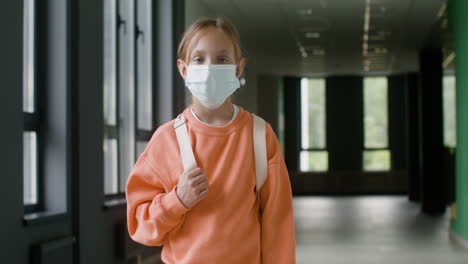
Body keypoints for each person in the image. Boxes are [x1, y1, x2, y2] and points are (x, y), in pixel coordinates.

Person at [125, 17, 296, 264]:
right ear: (184, 69)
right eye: (199, 59)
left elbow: (277, 222)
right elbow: (140, 226)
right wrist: (178, 200)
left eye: (222, 59)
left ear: (238, 68)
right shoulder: (166, 140)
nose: (209, 67)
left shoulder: (260, 135)